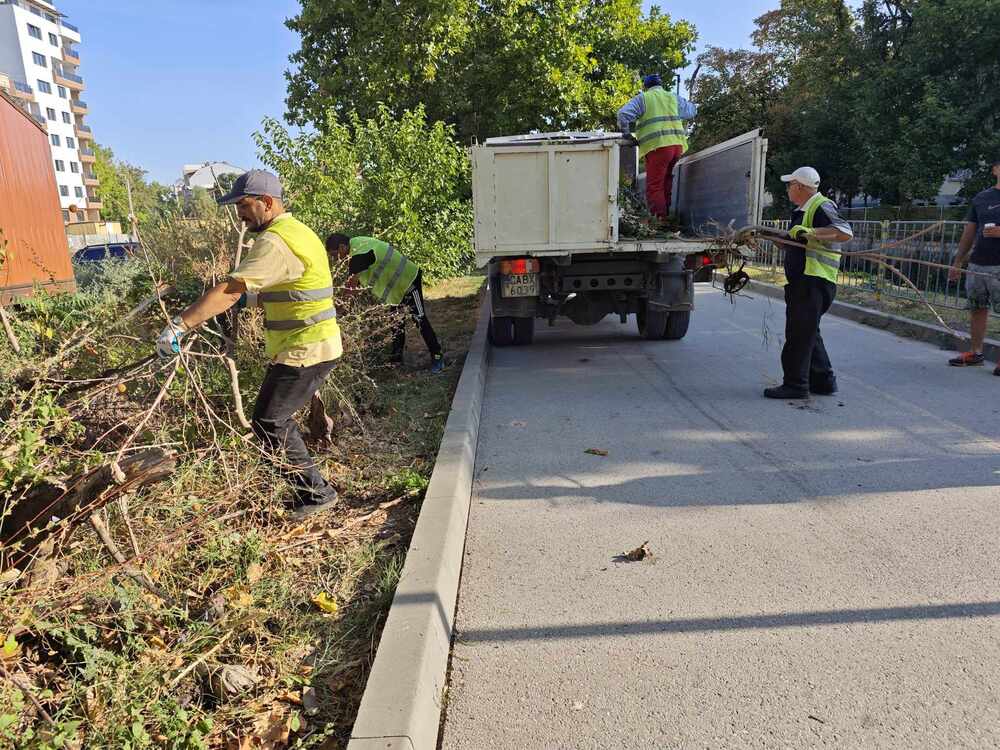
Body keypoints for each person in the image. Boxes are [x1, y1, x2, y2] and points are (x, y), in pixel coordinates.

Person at [155, 170, 342, 519]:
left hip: (306, 348)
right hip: (312, 344)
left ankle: (317, 494)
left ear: (266, 203)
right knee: (272, 419)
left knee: (270, 421)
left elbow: (229, 290)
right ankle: (311, 490)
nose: (239, 213)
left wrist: (179, 325)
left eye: (244, 205)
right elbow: (293, 287)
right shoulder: (296, 231)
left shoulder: (275, 241)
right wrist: (248, 303)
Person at [764, 166, 853, 400]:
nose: (787, 189)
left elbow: (844, 232)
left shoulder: (821, 205)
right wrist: (768, 236)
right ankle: (823, 381)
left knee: (798, 335)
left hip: (813, 281)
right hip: (806, 281)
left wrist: (811, 232)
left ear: (800, 187)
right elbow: (796, 241)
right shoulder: (802, 210)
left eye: (790, 185)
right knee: (809, 331)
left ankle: (795, 385)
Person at [326, 233, 444, 373]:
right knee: (396, 322)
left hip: (408, 281)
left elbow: (351, 288)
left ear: (342, 246)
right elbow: (354, 288)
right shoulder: (358, 244)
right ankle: (396, 360)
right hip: (396, 290)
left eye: (335, 254)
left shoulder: (358, 254)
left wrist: (338, 314)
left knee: (419, 319)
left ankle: (437, 356)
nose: (336, 259)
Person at [617, 73, 697, 222]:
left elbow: (623, 114)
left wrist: (627, 135)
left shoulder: (644, 98)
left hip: (658, 147)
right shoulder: (672, 97)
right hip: (677, 146)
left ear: (646, 86)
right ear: (660, 85)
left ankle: (659, 221)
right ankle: (666, 216)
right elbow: (692, 111)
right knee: (666, 181)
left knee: (655, 186)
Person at [947, 158, 1000, 376]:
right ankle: (976, 353)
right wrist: (958, 262)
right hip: (978, 264)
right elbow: (969, 233)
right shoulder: (982, 198)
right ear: (995, 169)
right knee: (977, 308)